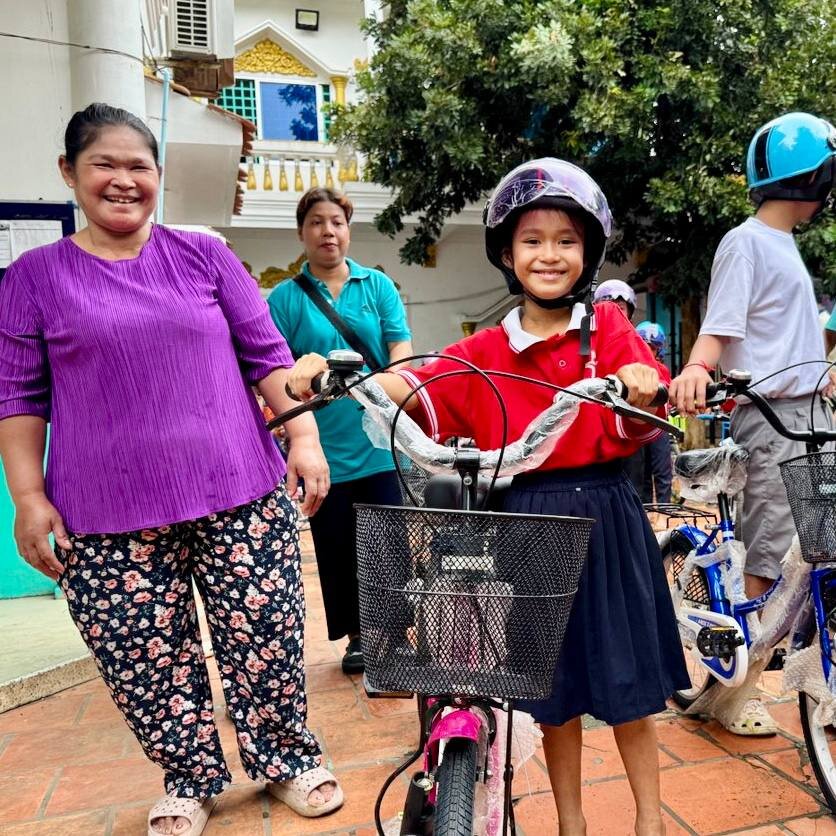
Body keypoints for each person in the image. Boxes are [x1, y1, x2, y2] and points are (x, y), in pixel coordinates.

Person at [289, 158, 689, 835]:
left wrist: (641, 381)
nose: (550, 254)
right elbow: (412, 381)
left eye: (567, 240)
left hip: (608, 518)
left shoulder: (608, 334)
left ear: (587, 252)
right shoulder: (483, 350)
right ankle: (571, 823)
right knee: (553, 693)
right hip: (529, 525)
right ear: (507, 252)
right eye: (533, 239)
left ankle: (650, 824)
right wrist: (329, 372)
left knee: (630, 692)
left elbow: (644, 385)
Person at [0, 104, 343, 836]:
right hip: (104, 513)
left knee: (267, 634)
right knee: (142, 658)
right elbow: (19, 397)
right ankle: (189, 777)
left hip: (240, 490)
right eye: (104, 165)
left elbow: (267, 358)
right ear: (69, 173)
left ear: (158, 176)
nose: (123, 181)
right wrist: (28, 496)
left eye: (139, 167)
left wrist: (304, 441)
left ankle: (285, 758)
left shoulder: (204, 257)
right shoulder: (33, 278)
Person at [671, 111, 836, 736]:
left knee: (817, 549)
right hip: (771, 418)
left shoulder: (784, 244)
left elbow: (777, 334)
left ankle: (812, 680)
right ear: (813, 178)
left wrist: (822, 374)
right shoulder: (745, 241)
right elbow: (722, 326)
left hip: (809, 411)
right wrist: (693, 368)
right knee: (770, 553)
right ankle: (738, 691)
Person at [267, 187, 413, 675]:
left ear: (348, 230)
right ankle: (357, 638)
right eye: (316, 223)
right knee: (335, 542)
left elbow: (401, 355)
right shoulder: (286, 298)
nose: (328, 231)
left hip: (379, 439)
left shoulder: (378, 287)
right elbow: (275, 371)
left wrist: (393, 398)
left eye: (337, 222)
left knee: (389, 543)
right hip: (322, 445)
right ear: (301, 232)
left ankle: (395, 637)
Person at [635, 321, 673, 504]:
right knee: (640, 472)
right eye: (643, 345)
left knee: (662, 470)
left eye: (652, 347)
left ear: (658, 349)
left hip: (659, 426)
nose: (648, 350)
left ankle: (665, 510)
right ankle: (645, 510)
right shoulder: (631, 370)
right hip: (635, 425)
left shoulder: (662, 370)